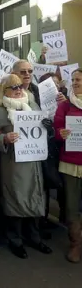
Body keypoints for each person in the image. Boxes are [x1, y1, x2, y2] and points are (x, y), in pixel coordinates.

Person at [0, 74, 52, 259]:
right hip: (13, 163)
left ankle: (34, 237)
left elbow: (43, 133)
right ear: (4, 90)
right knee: (15, 200)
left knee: (35, 197)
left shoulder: (33, 106)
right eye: (13, 87)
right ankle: (15, 240)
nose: (18, 90)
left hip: (34, 162)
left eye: (20, 87)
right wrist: (4, 138)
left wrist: (49, 128)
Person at [54, 68, 82, 263]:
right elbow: (56, 129)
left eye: (79, 79)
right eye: (73, 79)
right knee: (72, 206)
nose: (75, 82)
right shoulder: (64, 106)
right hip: (70, 162)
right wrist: (61, 133)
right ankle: (75, 244)